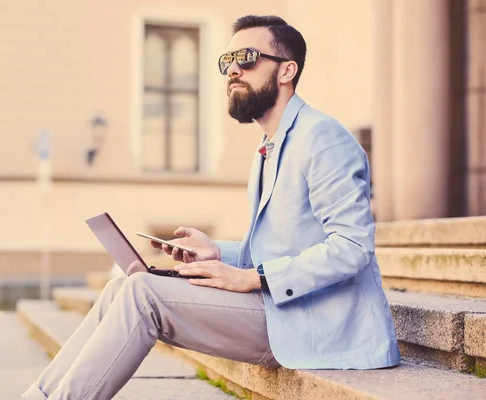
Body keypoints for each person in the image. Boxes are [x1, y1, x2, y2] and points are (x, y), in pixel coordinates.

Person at [23, 15, 400, 400]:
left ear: (287, 70)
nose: (233, 69)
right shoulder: (269, 146)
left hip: (320, 325)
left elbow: (352, 248)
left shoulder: (323, 138)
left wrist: (253, 278)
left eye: (247, 58)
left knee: (143, 294)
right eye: (227, 61)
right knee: (122, 285)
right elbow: (279, 248)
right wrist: (218, 252)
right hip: (280, 311)